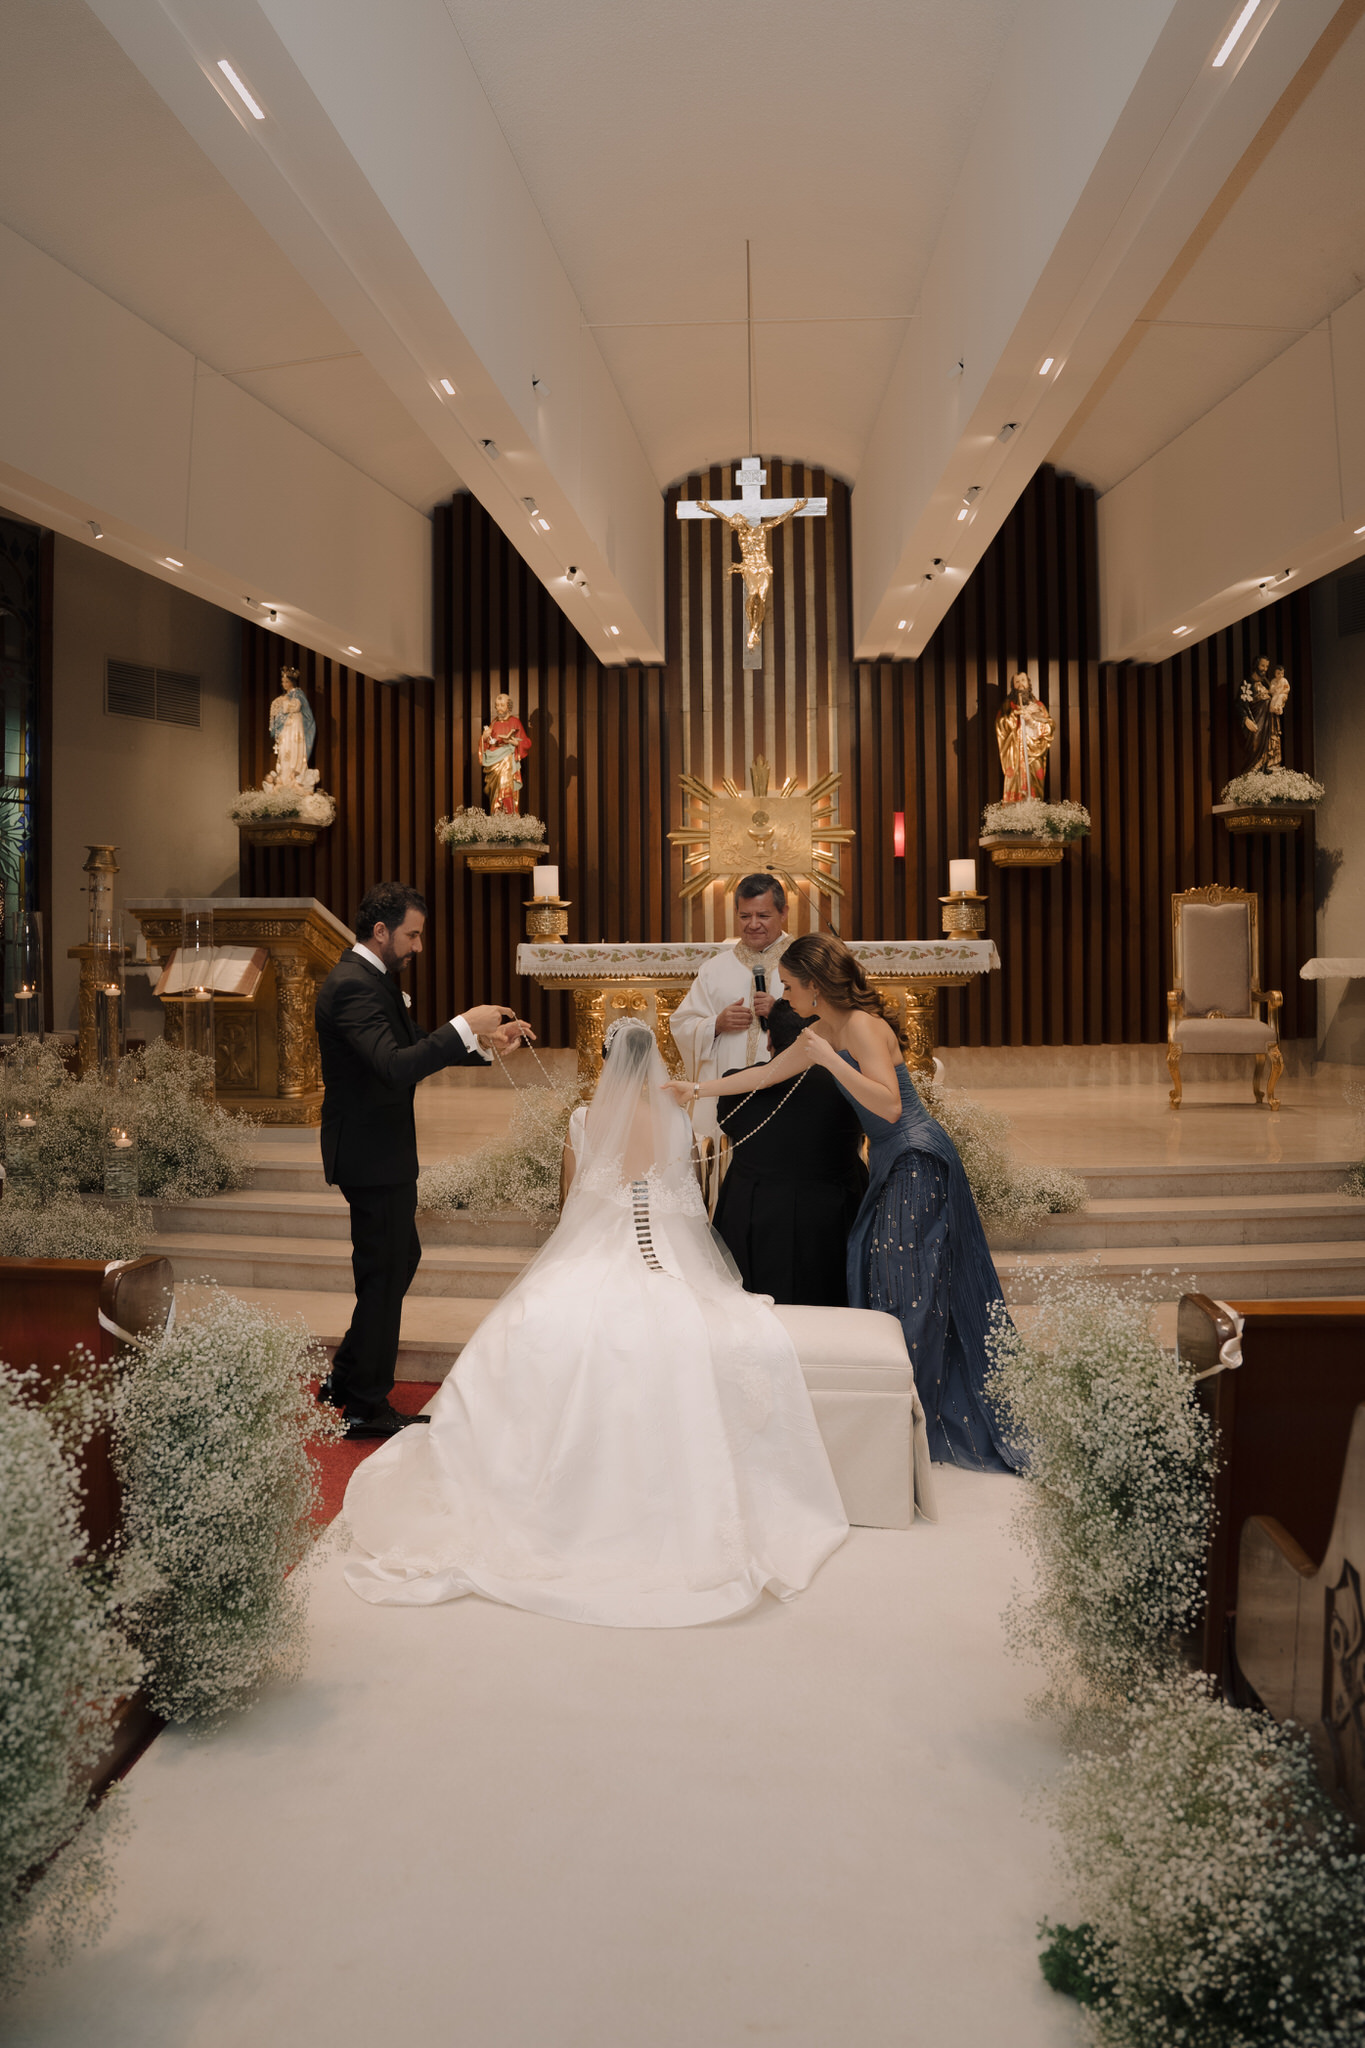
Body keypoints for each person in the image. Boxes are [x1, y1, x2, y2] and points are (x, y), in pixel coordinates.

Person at [342, 1019, 848, 1625]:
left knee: (533, 1322)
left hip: (600, 1243)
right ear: (655, 1060)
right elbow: (692, 1202)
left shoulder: (585, 1118)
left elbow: (571, 1203)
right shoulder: (677, 1115)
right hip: (668, 1248)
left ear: (606, 1063)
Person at [666, 933, 1020, 1474]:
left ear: (814, 984)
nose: (783, 997)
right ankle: (902, 1415)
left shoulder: (860, 1026)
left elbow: (890, 1105)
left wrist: (831, 1060)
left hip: (915, 1160)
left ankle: (913, 1423)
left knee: (911, 1290)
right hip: (890, 1160)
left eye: (789, 985)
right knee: (891, 1285)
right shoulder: (822, 1030)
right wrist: (695, 1090)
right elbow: (765, 1074)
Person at [315, 882, 533, 1440]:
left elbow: (410, 1044)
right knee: (385, 1271)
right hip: (370, 1154)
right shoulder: (352, 985)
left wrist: (484, 1042)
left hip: (378, 1150)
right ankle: (366, 1405)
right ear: (380, 931)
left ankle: (346, 1375)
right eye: (411, 935)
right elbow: (393, 1066)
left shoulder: (371, 979)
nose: (418, 946)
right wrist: (464, 1023)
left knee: (395, 1262)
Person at [712, 999, 868, 1305]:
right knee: (833, 1310)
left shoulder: (736, 1083)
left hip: (754, 1219)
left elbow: (728, 1123)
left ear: (769, 1039)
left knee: (753, 1310)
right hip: (831, 1221)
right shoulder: (847, 1081)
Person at [668, 874, 789, 1142]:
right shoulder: (714, 969)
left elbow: (828, 1024)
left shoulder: (804, 962)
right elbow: (681, 1025)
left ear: (783, 913)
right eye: (745, 916)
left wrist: (780, 1014)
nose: (753, 924)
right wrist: (716, 1024)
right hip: (727, 1097)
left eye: (763, 915)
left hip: (787, 1090)